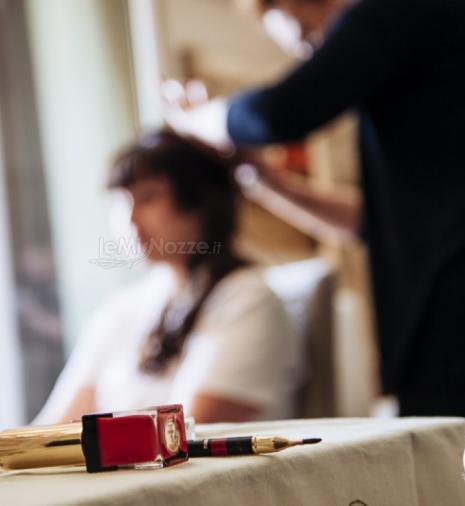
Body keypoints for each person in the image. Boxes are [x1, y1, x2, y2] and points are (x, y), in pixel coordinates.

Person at [167, 0, 465, 494]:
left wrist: (200, 120)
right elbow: (375, 222)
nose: (311, 49)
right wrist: (267, 183)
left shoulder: (399, 10)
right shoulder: (432, 63)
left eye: (302, 33)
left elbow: (282, 111)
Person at [34, 131, 306, 424]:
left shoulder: (247, 302)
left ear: (202, 201)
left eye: (148, 197)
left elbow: (183, 436)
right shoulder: (124, 308)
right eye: (120, 201)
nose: (129, 220)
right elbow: (52, 430)